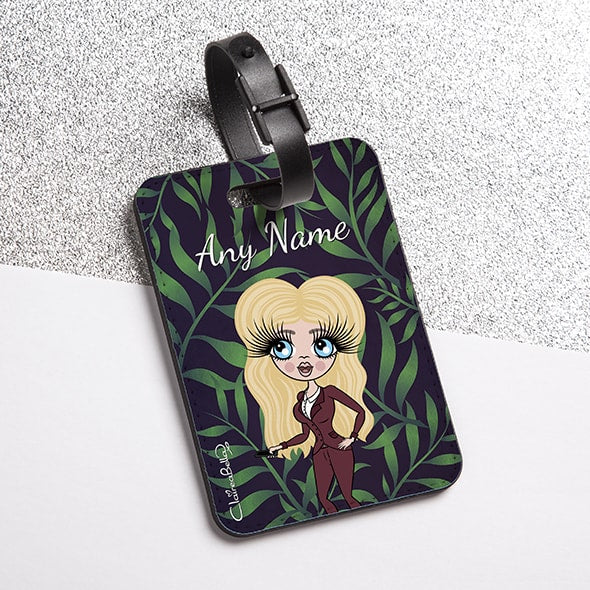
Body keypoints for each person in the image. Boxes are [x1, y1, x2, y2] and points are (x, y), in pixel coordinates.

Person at [234, 275, 374, 513]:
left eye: (322, 345)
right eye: (282, 348)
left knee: (349, 497)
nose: (303, 358)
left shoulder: (330, 392)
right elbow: (304, 435)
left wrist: (352, 437)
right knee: (323, 499)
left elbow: (359, 411)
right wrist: (280, 446)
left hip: (340, 447)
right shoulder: (298, 405)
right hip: (319, 452)